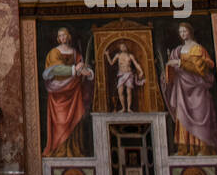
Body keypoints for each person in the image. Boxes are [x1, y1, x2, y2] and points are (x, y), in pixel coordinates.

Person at [161, 23, 217, 154]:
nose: (183, 33)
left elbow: (200, 68)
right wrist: (168, 69)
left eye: (185, 31)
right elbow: (169, 70)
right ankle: (186, 148)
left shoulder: (198, 49)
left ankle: (203, 148)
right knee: (182, 118)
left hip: (197, 90)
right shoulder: (177, 50)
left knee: (200, 117)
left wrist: (179, 63)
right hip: (181, 90)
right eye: (180, 31)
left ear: (190, 31)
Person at [42, 27, 94, 157]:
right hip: (59, 94)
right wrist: (74, 69)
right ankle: (59, 150)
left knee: (76, 121)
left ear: (68, 36)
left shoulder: (75, 53)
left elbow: (83, 66)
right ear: (58, 38)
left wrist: (88, 73)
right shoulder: (54, 53)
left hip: (74, 93)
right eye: (60, 36)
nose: (62, 38)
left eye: (64, 35)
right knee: (60, 123)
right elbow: (56, 70)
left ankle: (75, 149)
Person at [105, 41, 145, 112]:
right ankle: (123, 108)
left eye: (124, 46)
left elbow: (136, 64)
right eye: (122, 46)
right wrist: (107, 55)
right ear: (120, 48)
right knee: (120, 91)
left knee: (129, 91)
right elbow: (111, 63)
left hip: (129, 74)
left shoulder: (130, 56)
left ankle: (129, 108)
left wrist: (141, 71)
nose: (123, 47)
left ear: (126, 48)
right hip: (121, 74)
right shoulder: (118, 55)